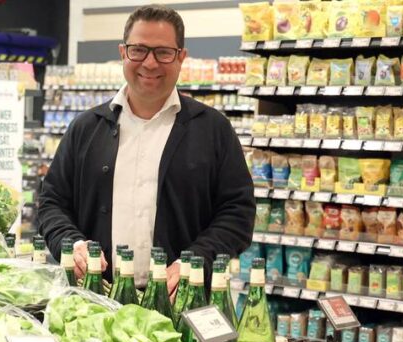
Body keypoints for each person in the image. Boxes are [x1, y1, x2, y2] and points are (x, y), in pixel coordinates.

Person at [38, 4, 255, 296]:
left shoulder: (213, 129)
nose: (150, 64)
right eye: (138, 50)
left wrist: (196, 262)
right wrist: (72, 244)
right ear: (122, 53)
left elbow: (237, 213)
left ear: (181, 57)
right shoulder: (85, 128)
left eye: (163, 52)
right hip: (94, 301)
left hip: (181, 302)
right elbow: (52, 202)